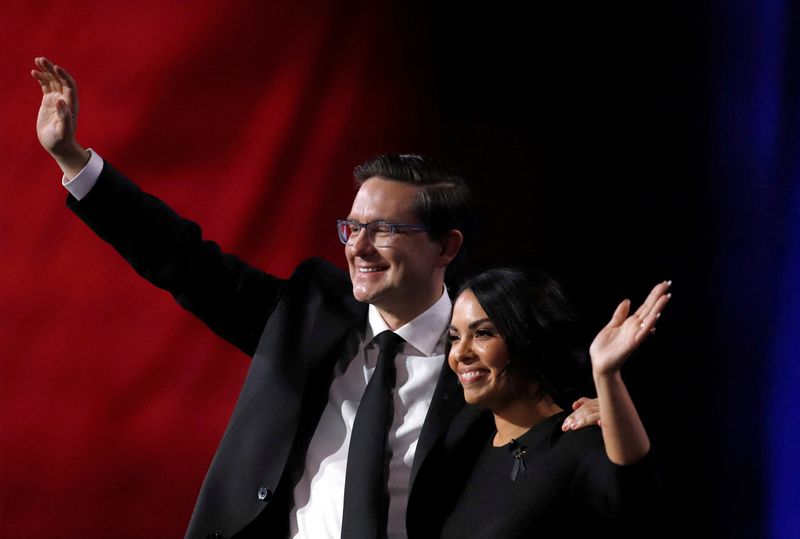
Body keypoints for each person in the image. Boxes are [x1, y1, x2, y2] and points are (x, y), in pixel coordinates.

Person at [31, 57, 600, 539]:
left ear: (446, 246)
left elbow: (565, 436)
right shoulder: (309, 312)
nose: (359, 247)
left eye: (384, 230)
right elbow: (183, 260)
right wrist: (75, 163)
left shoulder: (489, 357)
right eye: (351, 227)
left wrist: (599, 413)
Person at [442, 268, 669, 538]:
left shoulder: (578, 441)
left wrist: (606, 375)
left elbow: (634, 491)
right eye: (455, 337)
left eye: (482, 333)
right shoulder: (465, 448)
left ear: (528, 339)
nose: (460, 353)